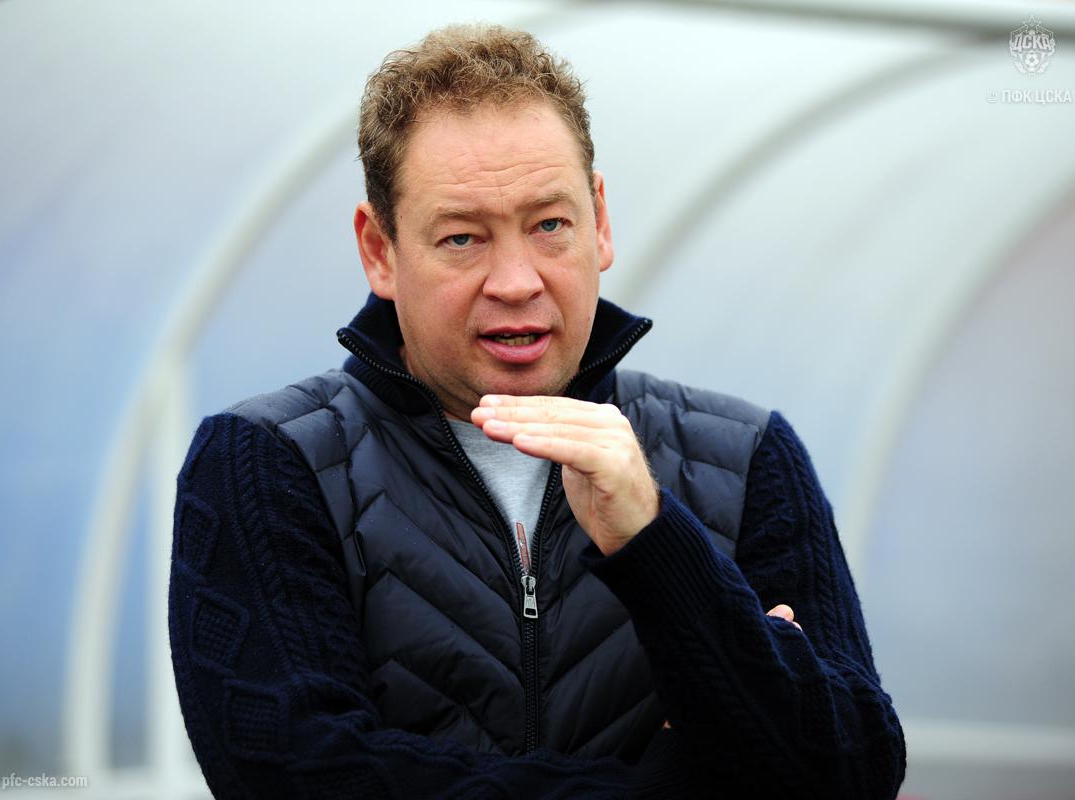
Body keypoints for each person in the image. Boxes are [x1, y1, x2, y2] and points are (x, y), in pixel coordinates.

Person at [168, 24, 906, 799]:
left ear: (600, 222)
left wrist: (657, 544)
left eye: (550, 225)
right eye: (462, 238)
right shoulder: (267, 462)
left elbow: (851, 775)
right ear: (380, 250)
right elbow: (296, 776)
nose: (516, 281)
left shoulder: (747, 457)